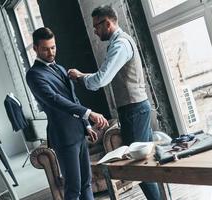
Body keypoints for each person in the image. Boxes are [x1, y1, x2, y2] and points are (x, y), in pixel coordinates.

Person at [68, 5, 161, 200]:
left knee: (141, 167)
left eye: (96, 26)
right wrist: (84, 76)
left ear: (107, 23)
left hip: (134, 109)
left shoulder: (120, 45)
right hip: (132, 110)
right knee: (142, 165)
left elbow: (100, 80)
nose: (94, 31)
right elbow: (101, 76)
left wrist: (79, 77)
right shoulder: (117, 43)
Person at [26, 27, 108, 200]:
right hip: (63, 136)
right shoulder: (34, 75)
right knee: (73, 188)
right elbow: (55, 100)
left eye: (53, 47)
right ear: (35, 48)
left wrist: (86, 125)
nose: (51, 52)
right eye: (45, 49)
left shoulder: (61, 68)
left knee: (86, 182)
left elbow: (73, 98)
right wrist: (89, 113)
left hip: (78, 132)